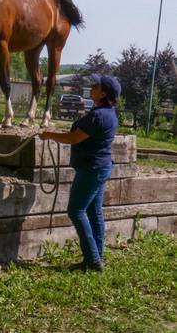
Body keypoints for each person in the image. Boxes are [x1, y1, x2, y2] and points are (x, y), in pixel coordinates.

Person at [40, 74, 121, 272]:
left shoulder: (98, 116)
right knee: (94, 212)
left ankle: (93, 260)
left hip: (91, 169)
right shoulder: (107, 112)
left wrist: (49, 134)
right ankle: (95, 258)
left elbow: (74, 139)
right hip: (99, 167)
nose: (91, 87)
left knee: (76, 211)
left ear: (103, 93)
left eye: (96, 86)